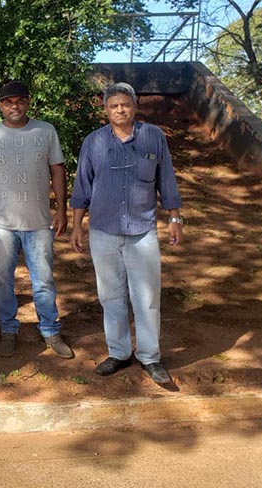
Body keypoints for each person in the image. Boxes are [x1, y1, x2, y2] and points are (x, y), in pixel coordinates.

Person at [70, 82, 183, 385]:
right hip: (103, 230)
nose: (120, 109)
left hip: (142, 231)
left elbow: (167, 179)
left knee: (146, 297)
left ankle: (150, 356)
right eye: (113, 105)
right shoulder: (93, 142)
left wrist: (175, 217)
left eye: (125, 104)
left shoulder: (153, 137)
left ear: (134, 106)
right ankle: (119, 353)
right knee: (110, 296)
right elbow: (82, 185)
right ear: (105, 110)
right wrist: (77, 224)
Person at [0, 80, 74, 359]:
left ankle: (50, 330)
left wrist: (61, 209)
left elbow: (58, 171)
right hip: (0, 223)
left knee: (44, 280)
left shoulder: (45, 131)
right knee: (3, 279)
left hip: (39, 223)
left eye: (19, 100)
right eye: (8, 101)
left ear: (28, 102)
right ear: (0, 106)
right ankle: (8, 330)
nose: (14, 106)